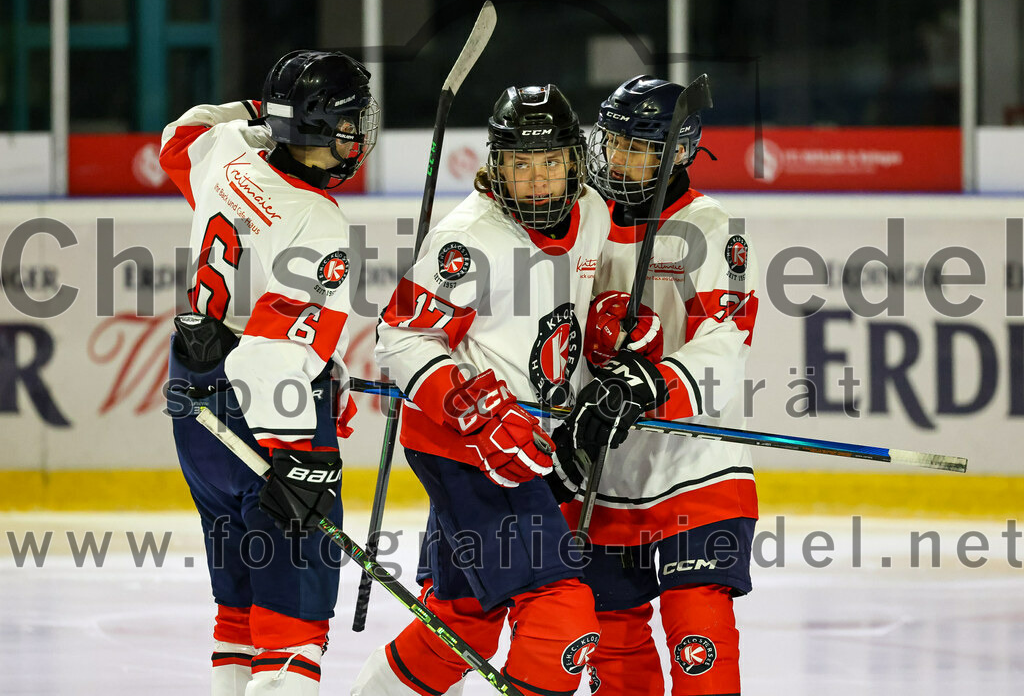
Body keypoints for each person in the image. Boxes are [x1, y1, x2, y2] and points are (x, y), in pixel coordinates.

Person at [352, 85, 608, 696]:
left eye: (550, 163)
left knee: (463, 621)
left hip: (530, 443)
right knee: (560, 621)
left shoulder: (593, 212)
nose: (538, 180)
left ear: (574, 161)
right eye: (521, 164)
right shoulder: (468, 239)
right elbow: (400, 338)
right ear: (497, 164)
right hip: (466, 447)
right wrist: (478, 411)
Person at [161, 50, 380, 696]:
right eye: (345, 122)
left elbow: (181, 134)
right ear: (314, 128)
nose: (354, 135)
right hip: (267, 412)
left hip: (198, 397)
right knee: (292, 623)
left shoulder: (227, 152)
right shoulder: (317, 218)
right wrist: (295, 454)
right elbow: (271, 350)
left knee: (240, 605)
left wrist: (257, 117)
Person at [556, 74, 760, 695]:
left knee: (702, 655)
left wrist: (653, 380)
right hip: (601, 471)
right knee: (615, 660)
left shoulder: (706, 223)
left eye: (641, 147)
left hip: (694, 467)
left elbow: (728, 339)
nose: (621, 159)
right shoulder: (578, 217)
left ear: (679, 152)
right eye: (615, 143)